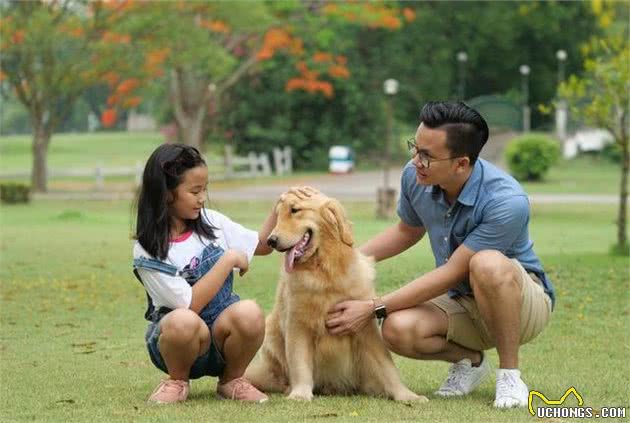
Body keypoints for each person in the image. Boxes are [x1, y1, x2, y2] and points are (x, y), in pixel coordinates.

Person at [325, 101, 555, 408]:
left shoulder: (507, 201)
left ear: (461, 163)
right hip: (461, 298)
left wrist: (371, 307)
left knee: (485, 264)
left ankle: (510, 375)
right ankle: (471, 361)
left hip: (521, 301)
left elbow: (452, 271)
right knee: (395, 328)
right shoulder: (415, 176)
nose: (415, 160)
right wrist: (344, 260)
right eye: (415, 148)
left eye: (426, 156)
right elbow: (408, 230)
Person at [132, 144, 277, 404]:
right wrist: (228, 259)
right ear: (166, 194)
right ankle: (177, 381)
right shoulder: (148, 249)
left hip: (221, 337)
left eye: (204, 189)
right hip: (177, 342)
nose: (202, 198)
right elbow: (188, 305)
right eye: (194, 191)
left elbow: (263, 245)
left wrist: (281, 207)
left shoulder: (212, 222)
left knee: (250, 312)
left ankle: (232, 380)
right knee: (182, 321)